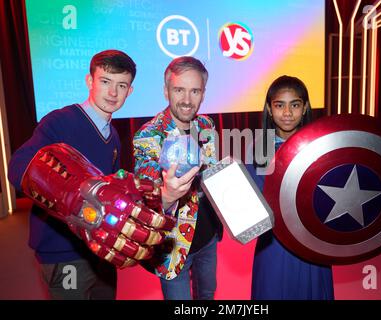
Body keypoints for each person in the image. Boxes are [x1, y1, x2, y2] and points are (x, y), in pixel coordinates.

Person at [8, 49, 174, 299]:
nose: (113, 93)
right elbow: (18, 166)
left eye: (121, 85)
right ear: (90, 81)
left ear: (130, 91)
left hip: (101, 248)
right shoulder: (60, 121)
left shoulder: (114, 135)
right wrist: (73, 194)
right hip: (64, 253)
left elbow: (107, 194)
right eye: (105, 82)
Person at [133, 56, 223, 300]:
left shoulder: (206, 124)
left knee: (207, 295)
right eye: (179, 90)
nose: (186, 100)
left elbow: (211, 172)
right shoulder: (149, 135)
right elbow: (146, 196)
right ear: (166, 91)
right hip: (172, 247)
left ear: (203, 94)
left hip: (209, 238)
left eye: (195, 91)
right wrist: (165, 195)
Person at [246, 75, 334, 299]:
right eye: (279, 105)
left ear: (304, 108)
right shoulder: (259, 150)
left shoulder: (319, 146)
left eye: (294, 105)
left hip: (311, 240)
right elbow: (253, 205)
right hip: (274, 244)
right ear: (269, 108)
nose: (287, 113)